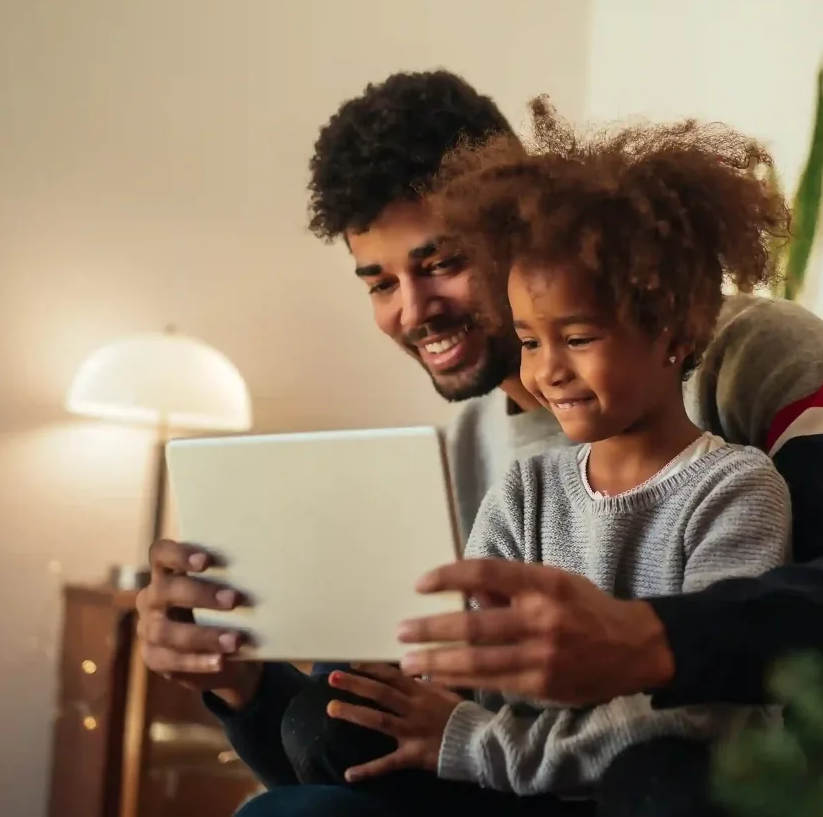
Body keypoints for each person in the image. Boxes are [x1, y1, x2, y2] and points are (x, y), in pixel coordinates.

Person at [135, 70, 823, 816]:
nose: (413, 310)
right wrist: (242, 683)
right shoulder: (474, 454)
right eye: (379, 283)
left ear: (514, 225)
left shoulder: (753, 354)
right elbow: (394, 752)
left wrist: (653, 639)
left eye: (441, 263)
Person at [313, 99, 794, 807]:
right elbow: (472, 671)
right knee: (326, 721)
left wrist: (478, 743)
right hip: (525, 779)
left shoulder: (737, 490)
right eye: (529, 341)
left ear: (674, 332)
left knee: (657, 777)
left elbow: (699, 707)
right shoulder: (524, 492)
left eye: (577, 338)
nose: (547, 371)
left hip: (653, 790)